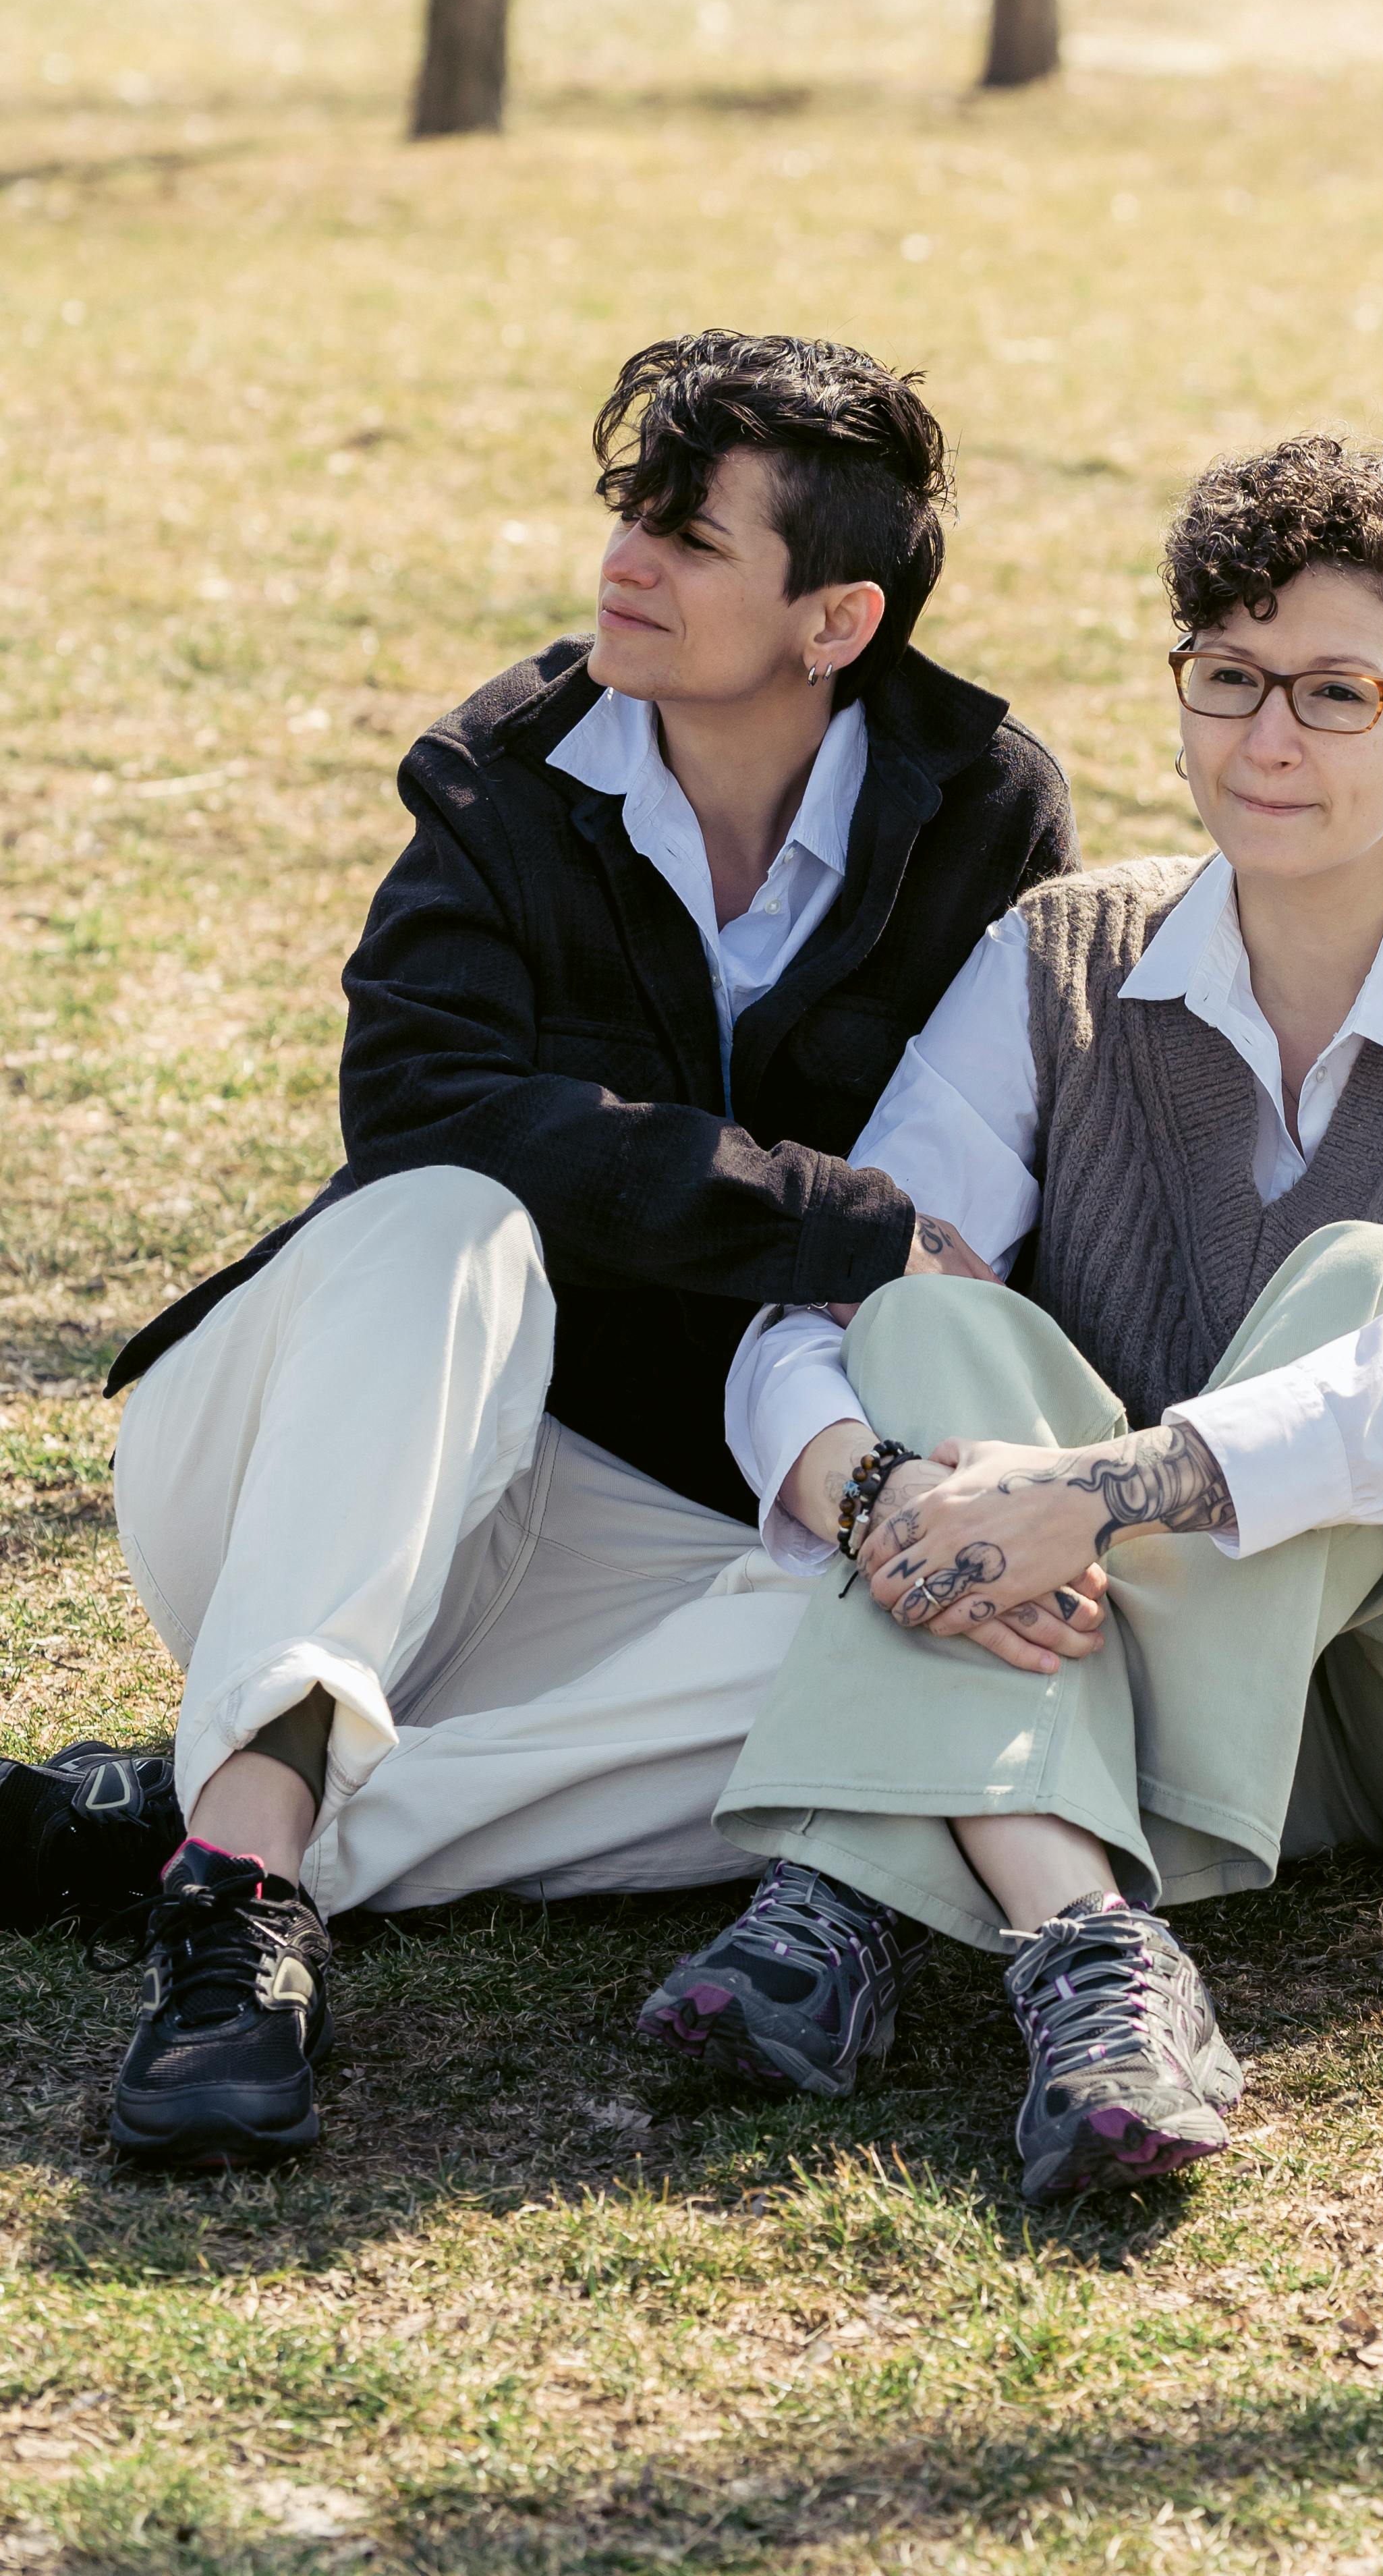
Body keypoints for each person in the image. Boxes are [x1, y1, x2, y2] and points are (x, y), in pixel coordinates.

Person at [642, 432, 1383, 2200]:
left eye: (1337, 693)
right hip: (1261, 1717)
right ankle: (1093, 1956)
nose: (1267, 743)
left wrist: (1100, 1490)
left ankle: (845, 1887)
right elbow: (818, 1306)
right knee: (919, 1321)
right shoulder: (1059, 958)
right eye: (1230, 681)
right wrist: (876, 1491)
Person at [0, 333, 1075, 2173]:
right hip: (325, 1476)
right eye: (629, 510)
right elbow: (419, 1111)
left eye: (692, 535)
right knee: (451, 1216)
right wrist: (841, 1224)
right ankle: (237, 1923)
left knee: (918, 1663)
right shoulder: (504, 769)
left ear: (836, 620)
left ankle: (210, 1813)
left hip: (635, 1533)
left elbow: (1011, 1173)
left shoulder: (981, 803)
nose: (626, 561)